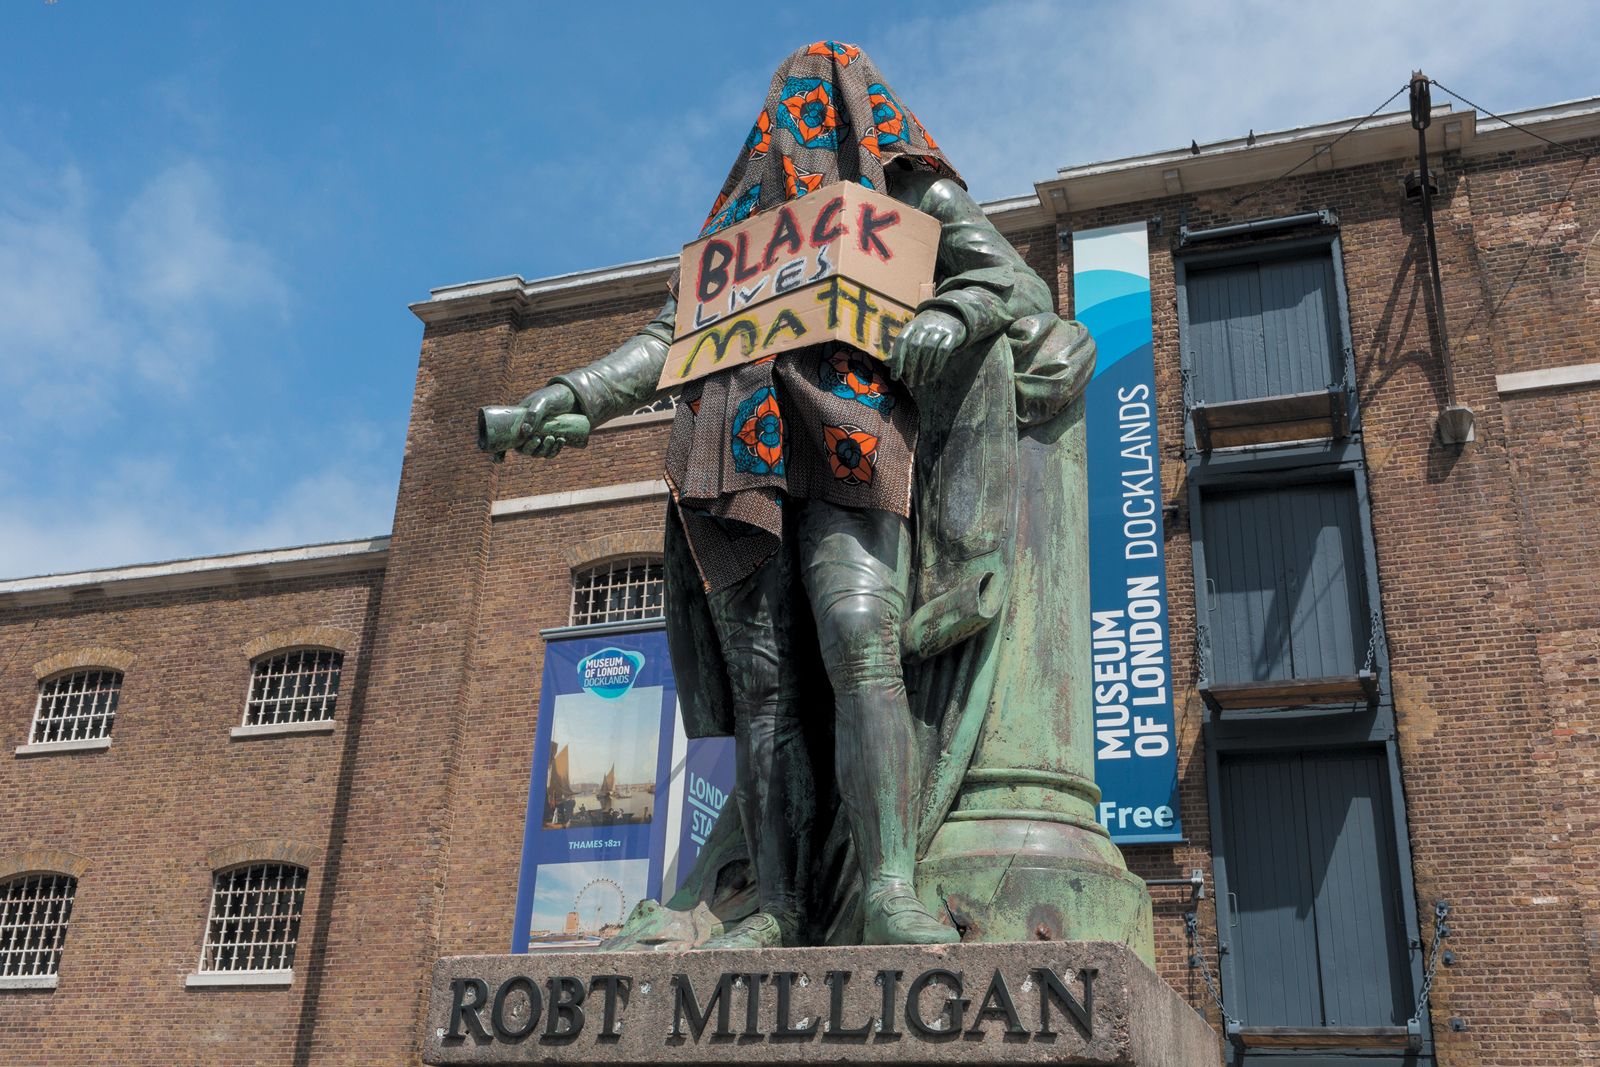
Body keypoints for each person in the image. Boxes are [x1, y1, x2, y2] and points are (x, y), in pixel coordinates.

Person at [488, 41, 1072, 948]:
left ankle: (889, 889)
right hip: (739, 460)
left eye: (821, 100)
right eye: (784, 105)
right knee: (763, 688)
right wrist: (570, 399)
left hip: (853, 436)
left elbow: (1008, 278)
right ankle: (776, 905)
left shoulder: (908, 192)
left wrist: (955, 313)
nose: (801, 120)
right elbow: (666, 337)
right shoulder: (743, 235)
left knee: (859, 634)